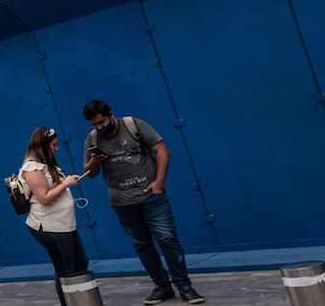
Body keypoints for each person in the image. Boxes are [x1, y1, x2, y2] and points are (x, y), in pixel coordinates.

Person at [82, 100, 205, 305]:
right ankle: (162, 286)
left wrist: (159, 182)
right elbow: (91, 173)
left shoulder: (133, 125)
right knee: (142, 245)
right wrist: (95, 160)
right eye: (94, 124)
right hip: (122, 202)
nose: (100, 127)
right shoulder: (92, 139)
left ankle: (185, 287)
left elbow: (162, 150)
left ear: (111, 114)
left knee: (167, 239)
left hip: (151, 197)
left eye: (102, 122)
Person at [20, 127, 88, 306]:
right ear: (43, 146)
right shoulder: (32, 168)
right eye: (53, 145)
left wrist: (67, 181)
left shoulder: (47, 164)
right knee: (66, 270)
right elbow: (43, 198)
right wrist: (66, 183)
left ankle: (80, 301)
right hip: (50, 227)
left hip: (64, 225)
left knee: (81, 263)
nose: (57, 148)